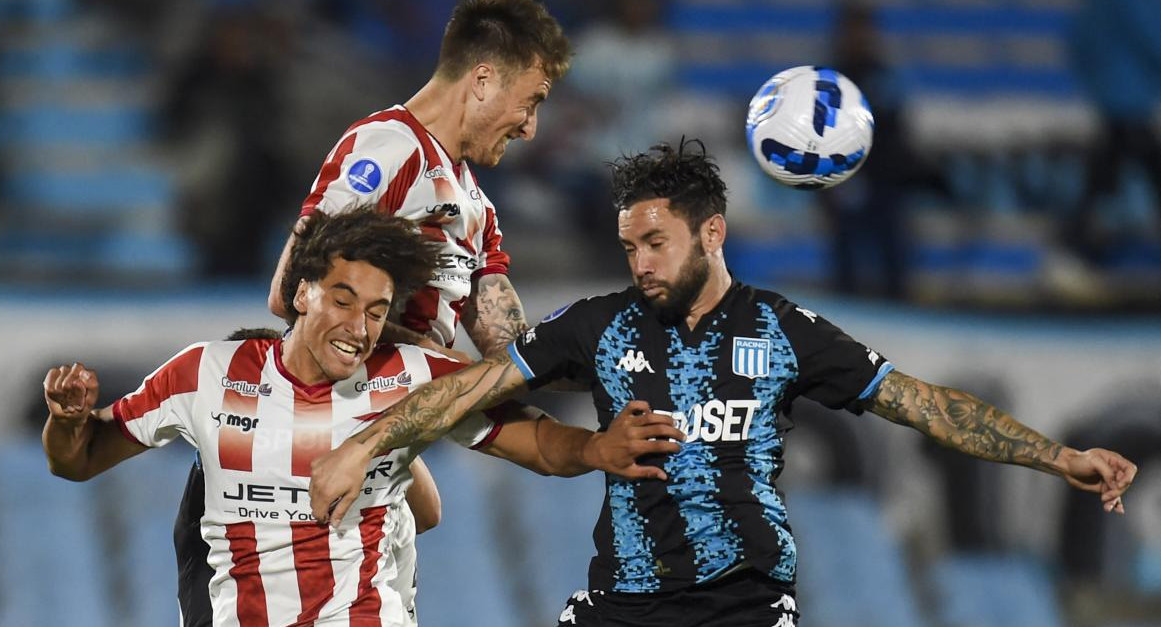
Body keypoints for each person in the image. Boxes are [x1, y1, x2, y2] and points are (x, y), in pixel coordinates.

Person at [309, 140, 1139, 626]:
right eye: (629, 244)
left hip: (740, 606)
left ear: (712, 232)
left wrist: (1054, 455)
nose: (638, 262)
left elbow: (923, 403)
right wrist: (364, 446)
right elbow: (472, 388)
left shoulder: (785, 330)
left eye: (655, 243)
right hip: (625, 603)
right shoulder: (598, 324)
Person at [43, 208, 681, 627]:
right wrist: (69, 423)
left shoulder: (410, 377)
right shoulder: (206, 373)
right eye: (342, 300)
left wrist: (598, 448)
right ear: (300, 293)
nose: (358, 328)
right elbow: (81, 461)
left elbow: (535, 441)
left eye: (376, 310)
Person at [267, 0, 572, 359]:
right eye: (531, 102)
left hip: (421, 398)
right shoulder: (387, 147)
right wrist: (434, 358)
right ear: (482, 81)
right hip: (358, 402)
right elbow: (290, 292)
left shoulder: (476, 203)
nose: (529, 128)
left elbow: (513, 355)